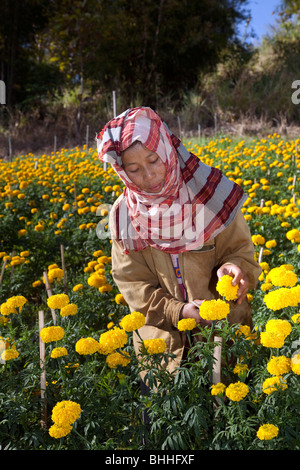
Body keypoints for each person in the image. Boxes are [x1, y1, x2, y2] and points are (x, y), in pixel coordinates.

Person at [97, 107, 261, 381]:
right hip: (164, 355)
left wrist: (234, 267)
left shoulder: (210, 194)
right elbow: (132, 284)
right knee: (166, 421)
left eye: (153, 160)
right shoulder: (123, 216)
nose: (148, 176)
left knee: (232, 419)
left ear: (168, 150)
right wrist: (178, 311)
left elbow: (241, 250)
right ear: (121, 171)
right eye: (134, 169)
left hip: (226, 338)